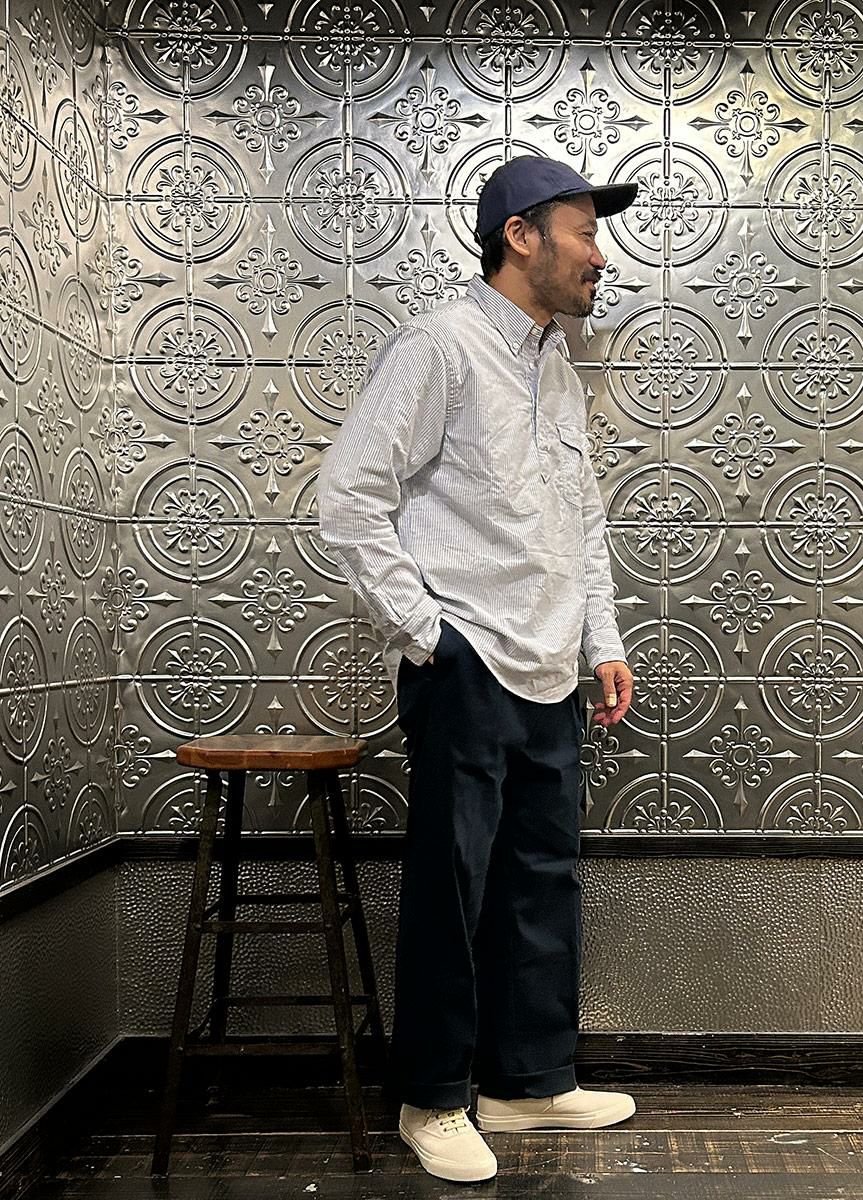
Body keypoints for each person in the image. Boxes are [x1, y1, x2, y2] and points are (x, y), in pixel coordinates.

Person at [316, 155, 638, 1184]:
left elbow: (580, 521)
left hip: (551, 667)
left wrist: (602, 642)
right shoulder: (439, 347)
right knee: (451, 889)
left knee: (542, 880)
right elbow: (348, 496)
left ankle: (528, 1081)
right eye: (585, 231)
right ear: (521, 236)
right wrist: (429, 635)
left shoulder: (559, 367)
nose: (600, 255)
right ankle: (434, 1098)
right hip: (467, 662)